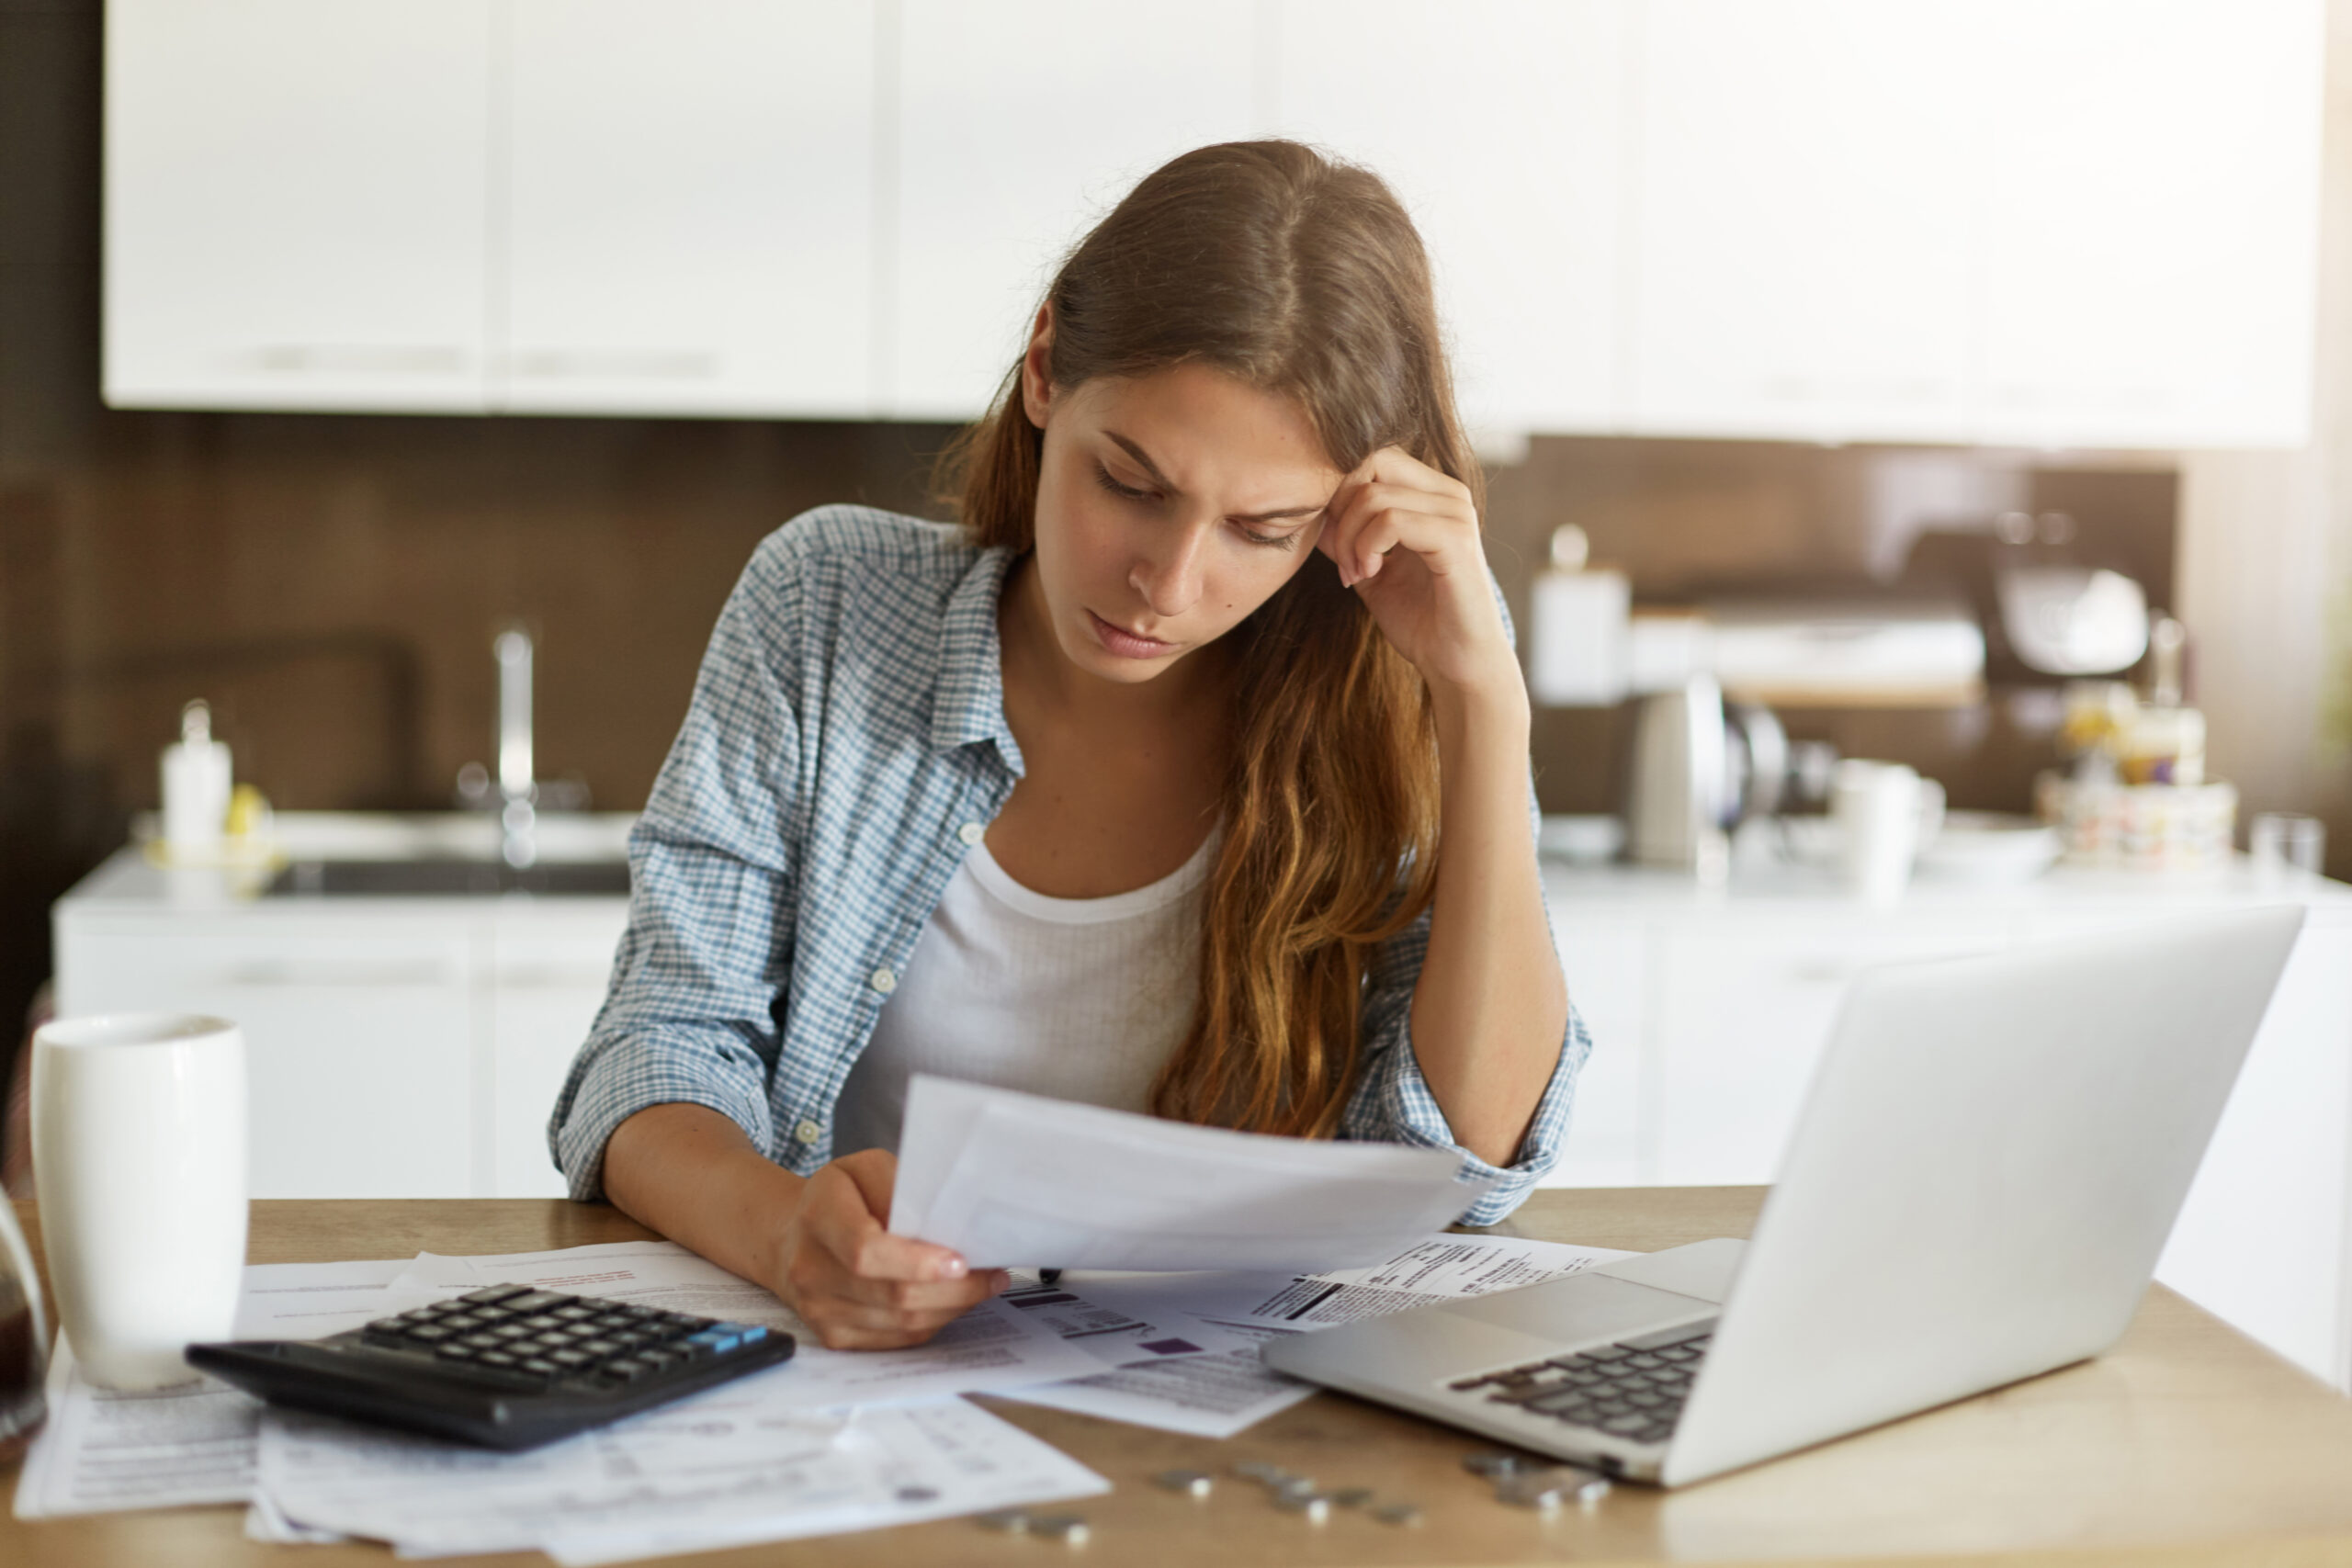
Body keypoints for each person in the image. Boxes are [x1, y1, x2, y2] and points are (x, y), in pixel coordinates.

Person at [549, 140, 1588, 1351]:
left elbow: (1475, 1155)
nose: (1167, 581)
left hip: (1227, 1421)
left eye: (1262, 529)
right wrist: (789, 1236)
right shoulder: (823, 605)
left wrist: (1483, 698)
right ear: (1046, 369)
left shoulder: (1400, 678)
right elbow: (656, 1054)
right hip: (864, 1393)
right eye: (1131, 483)